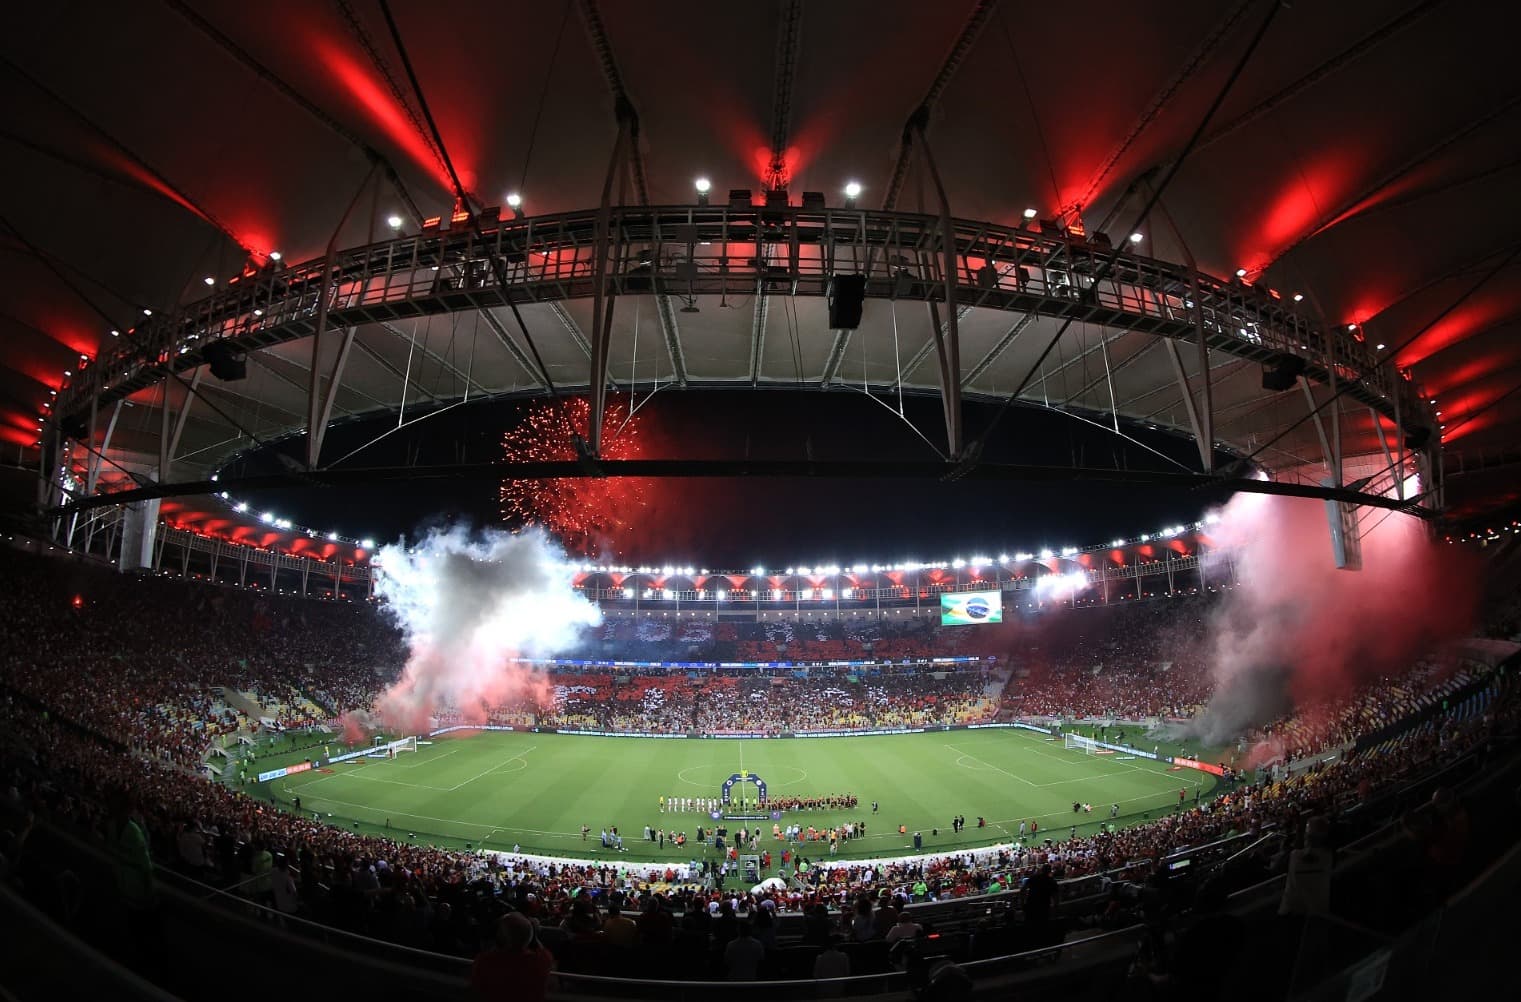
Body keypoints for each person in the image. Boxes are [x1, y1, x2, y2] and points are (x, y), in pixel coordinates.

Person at [471, 912, 555, 1002]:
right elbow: (541, 949)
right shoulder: (543, 959)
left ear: (499, 937)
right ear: (530, 937)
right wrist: (532, 934)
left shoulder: (484, 961)